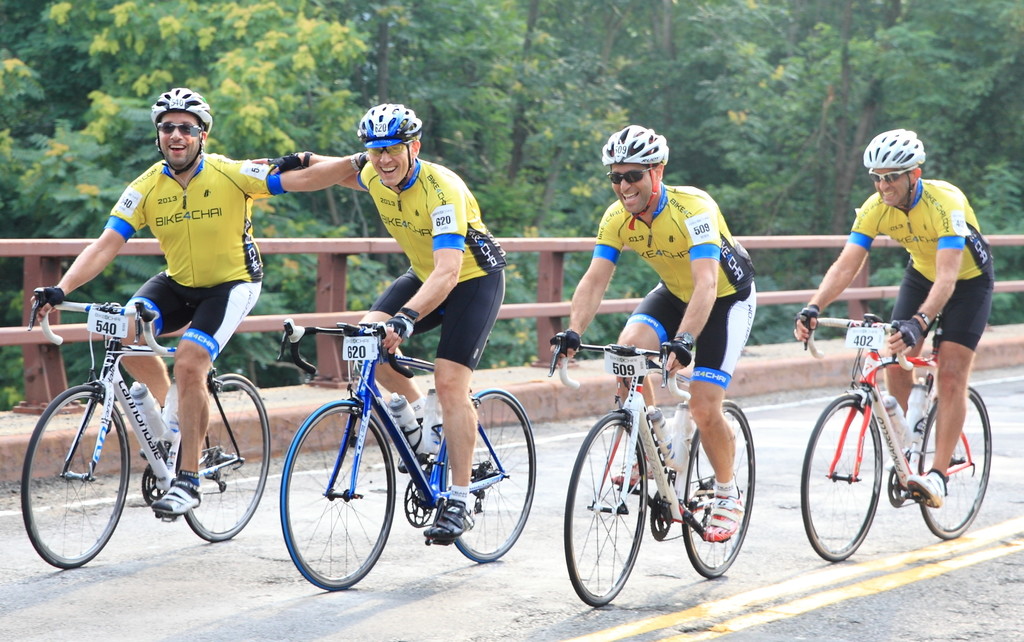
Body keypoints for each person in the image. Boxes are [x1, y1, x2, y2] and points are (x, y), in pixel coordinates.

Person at [35, 87, 289, 517]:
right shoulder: (147, 186)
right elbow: (105, 245)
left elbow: (297, 179)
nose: (176, 135)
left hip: (233, 284)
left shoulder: (229, 173)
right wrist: (62, 290)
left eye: (186, 128)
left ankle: (188, 479)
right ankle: (176, 418)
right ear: (158, 135)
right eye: (167, 127)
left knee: (191, 362)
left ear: (202, 136)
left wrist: (357, 165)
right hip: (178, 282)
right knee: (122, 328)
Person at [269, 103, 507, 544]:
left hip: (471, 279)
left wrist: (407, 317)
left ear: (414, 146)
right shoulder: (376, 174)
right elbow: (340, 172)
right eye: (376, 151)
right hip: (422, 274)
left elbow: (448, 272)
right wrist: (303, 160)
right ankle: (422, 430)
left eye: (394, 149)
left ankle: (457, 498)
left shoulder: (442, 189)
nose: (384, 159)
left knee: (450, 381)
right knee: (364, 344)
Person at [553, 125, 756, 543]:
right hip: (674, 293)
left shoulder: (694, 208)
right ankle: (653, 443)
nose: (624, 186)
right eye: (616, 177)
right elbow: (594, 281)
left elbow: (707, 284)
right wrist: (573, 330)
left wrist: (685, 340)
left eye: (633, 176)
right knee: (626, 352)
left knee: (703, 405)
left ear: (657, 172)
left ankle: (727, 491)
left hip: (725, 299)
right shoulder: (616, 218)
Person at [794, 129, 994, 508]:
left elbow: (949, 276)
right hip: (921, 275)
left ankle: (937, 474)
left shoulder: (945, 202)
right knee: (893, 358)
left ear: (913, 175)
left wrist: (919, 321)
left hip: (967, 282)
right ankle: (908, 444)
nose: (882, 185)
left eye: (890, 177)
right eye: (876, 177)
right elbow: (846, 265)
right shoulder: (875, 207)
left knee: (951, 372)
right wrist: (814, 306)